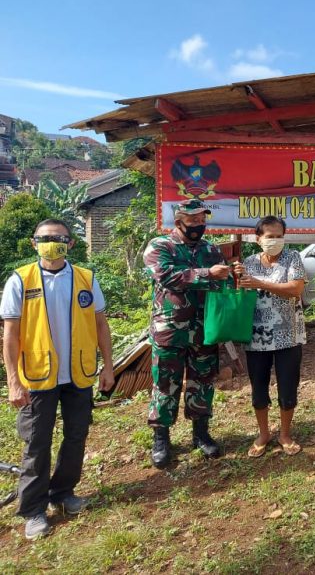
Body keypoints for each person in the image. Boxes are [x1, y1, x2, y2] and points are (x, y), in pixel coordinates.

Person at [1, 218, 114, 540]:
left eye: (60, 238)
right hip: (37, 378)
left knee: (76, 436)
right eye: (46, 238)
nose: (53, 242)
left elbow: (100, 325)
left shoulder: (85, 278)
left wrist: (108, 367)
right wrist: (13, 380)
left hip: (78, 374)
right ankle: (33, 510)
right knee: (37, 444)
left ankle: (63, 493)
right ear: (34, 243)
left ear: (71, 244)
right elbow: (10, 335)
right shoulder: (20, 280)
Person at [142, 199, 232, 468]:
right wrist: (208, 273)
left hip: (204, 327)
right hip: (170, 328)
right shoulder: (160, 246)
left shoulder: (211, 249)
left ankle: (201, 433)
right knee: (165, 383)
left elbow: (222, 280)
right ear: (178, 221)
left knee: (203, 380)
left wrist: (230, 274)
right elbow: (167, 277)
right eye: (192, 221)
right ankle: (161, 438)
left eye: (202, 220)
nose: (198, 225)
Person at [235, 216, 307, 458]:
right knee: (259, 388)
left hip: (289, 336)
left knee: (288, 386)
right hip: (256, 337)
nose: (275, 241)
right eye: (269, 236)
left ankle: (285, 434)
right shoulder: (248, 262)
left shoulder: (293, 258)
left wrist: (259, 283)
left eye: (279, 236)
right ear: (258, 240)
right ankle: (264, 433)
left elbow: (296, 289)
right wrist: (239, 278)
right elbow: (242, 292)